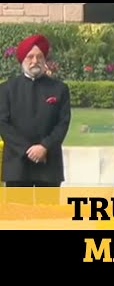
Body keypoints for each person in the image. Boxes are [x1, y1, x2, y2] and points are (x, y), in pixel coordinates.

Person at [0, 34, 71, 187]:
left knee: (47, 211)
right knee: (18, 211)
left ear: (45, 59)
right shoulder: (7, 89)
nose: (35, 61)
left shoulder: (59, 89)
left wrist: (44, 146)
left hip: (48, 163)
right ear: (22, 59)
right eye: (30, 57)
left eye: (39, 56)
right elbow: (3, 124)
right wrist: (26, 149)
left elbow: (62, 123)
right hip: (17, 165)